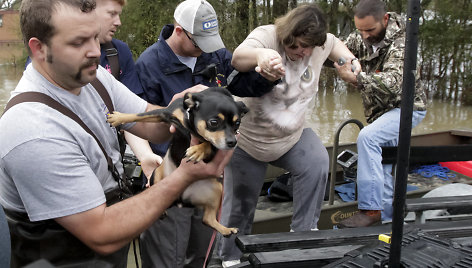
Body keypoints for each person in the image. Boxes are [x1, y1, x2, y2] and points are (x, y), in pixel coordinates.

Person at [0, 1, 233, 267]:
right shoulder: (32, 131)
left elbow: (151, 127)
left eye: (94, 38)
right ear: (39, 48)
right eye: (78, 43)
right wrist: (184, 176)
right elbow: (102, 234)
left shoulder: (93, 77)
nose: (94, 52)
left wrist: (183, 110)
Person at [131, 1, 278, 267]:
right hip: (170, 177)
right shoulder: (149, 64)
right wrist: (146, 159)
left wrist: (268, 75)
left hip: (207, 175)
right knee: (167, 257)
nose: (206, 49)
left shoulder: (215, 55)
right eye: (199, 42)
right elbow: (139, 123)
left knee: (200, 256)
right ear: (178, 31)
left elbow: (245, 85)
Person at [216, 4, 362, 267]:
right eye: (295, 47)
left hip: (291, 137)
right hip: (249, 141)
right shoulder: (268, 35)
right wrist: (261, 56)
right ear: (286, 36)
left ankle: (303, 234)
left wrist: (348, 60)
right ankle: (231, 257)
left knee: (317, 162)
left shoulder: (318, 45)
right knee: (239, 202)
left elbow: (335, 44)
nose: (301, 53)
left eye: (307, 47)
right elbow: (238, 57)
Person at [335, 0, 427, 228]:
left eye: (370, 30)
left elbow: (394, 84)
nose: (364, 36)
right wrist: (340, 57)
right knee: (384, 167)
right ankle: (388, 222)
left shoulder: (404, 42)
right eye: (360, 30)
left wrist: (355, 78)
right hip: (380, 113)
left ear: (385, 19)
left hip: (407, 109)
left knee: (368, 137)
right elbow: (339, 48)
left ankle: (371, 210)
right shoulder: (362, 37)